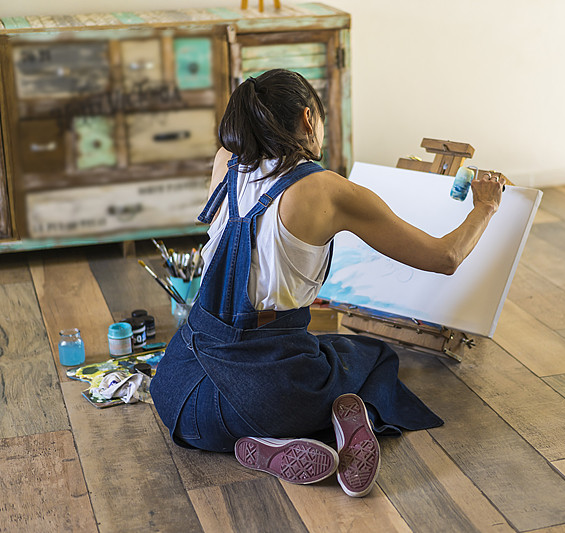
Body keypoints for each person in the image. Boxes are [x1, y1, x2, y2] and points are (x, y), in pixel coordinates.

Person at [150, 68, 505, 498]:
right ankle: (313, 427)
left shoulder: (228, 160)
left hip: (178, 394)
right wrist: (485, 207)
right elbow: (445, 257)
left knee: (312, 357)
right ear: (307, 118)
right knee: (370, 356)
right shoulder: (326, 190)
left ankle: (263, 446)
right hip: (270, 398)